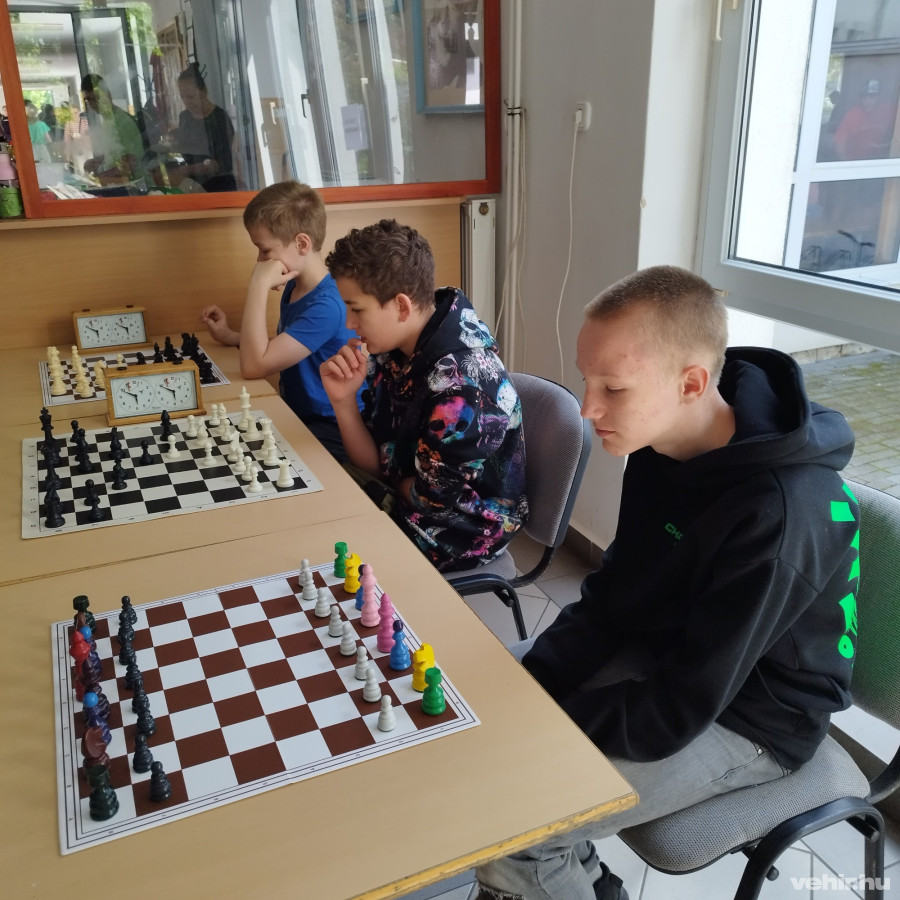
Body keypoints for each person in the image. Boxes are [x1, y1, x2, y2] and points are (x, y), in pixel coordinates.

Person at [473, 266, 860, 900]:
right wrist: (536, 682)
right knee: (482, 713)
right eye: (586, 381)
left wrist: (549, 726)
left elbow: (681, 705)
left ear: (691, 383)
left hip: (753, 717)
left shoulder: (779, 513)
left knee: (516, 827)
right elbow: (615, 595)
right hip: (672, 655)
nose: (587, 409)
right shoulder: (662, 444)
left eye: (613, 388)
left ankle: (541, 870)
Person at [320, 219, 528, 572]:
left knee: (322, 547)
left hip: (458, 533)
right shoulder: (395, 349)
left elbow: (431, 502)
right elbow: (377, 464)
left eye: (356, 309)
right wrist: (343, 402)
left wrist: (399, 481)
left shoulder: (461, 390)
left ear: (402, 306)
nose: (349, 324)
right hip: (407, 499)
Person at [199, 181, 357, 460]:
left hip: (331, 426)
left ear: (301, 243)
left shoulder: (327, 306)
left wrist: (258, 284)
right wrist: (231, 336)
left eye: (264, 250)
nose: (260, 261)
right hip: (299, 413)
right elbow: (285, 346)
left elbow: (254, 366)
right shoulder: (296, 286)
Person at [165, 62, 236, 192]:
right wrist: (172, 142)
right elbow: (186, 149)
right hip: (193, 186)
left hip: (219, 187)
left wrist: (188, 170)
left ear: (203, 92)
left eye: (190, 97)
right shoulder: (184, 117)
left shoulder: (219, 118)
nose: (186, 102)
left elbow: (222, 163)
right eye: (182, 97)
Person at [80, 74, 145, 184]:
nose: (92, 103)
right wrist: (97, 161)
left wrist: (101, 177)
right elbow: (116, 154)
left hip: (134, 187)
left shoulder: (121, 121)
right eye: (88, 99)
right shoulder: (107, 120)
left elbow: (130, 163)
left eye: (96, 97)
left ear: (107, 94)